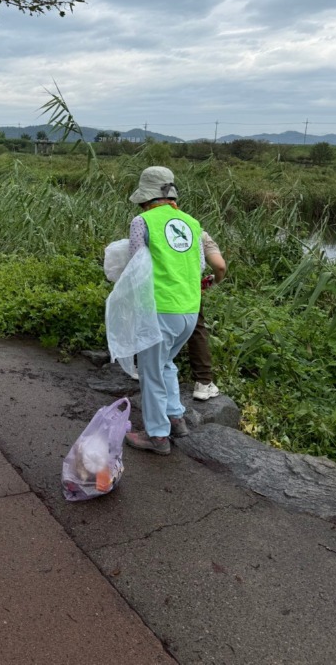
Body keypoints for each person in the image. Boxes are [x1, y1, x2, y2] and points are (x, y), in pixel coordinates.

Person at [124, 166, 203, 456]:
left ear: (147, 197)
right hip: (189, 310)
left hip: (160, 309)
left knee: (151, 372)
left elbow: (136, 266)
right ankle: (176, 417)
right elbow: (202, 266)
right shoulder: (192, 223)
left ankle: (157, 435)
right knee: (167, 362)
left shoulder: (141, 222)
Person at [188, 232, 226, 401]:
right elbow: (219, 266)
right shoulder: (196, 230)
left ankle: (140, 367)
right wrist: (215, 281)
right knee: (197, 328)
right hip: (188, 289)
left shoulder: (148, 223)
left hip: (157, 288)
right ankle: (203, 382)